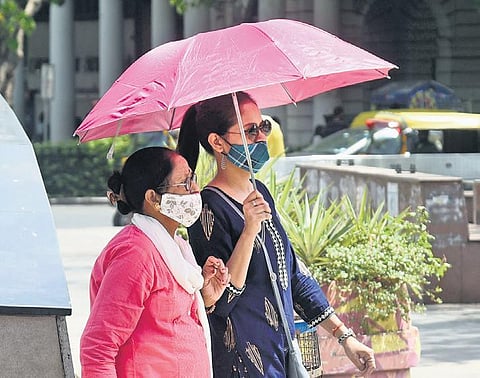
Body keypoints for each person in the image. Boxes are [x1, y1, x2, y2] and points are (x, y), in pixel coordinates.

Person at [176, 92, 376, 377]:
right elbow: (218, 301)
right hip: (243, 362)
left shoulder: (261, 195)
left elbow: (293, 275)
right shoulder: (207, 207)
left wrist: (345, 338)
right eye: (250, 130)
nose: (261, 137)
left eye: (264, 126)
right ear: (217, 142)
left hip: (281, 354)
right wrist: (249, 232)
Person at [80, 146, 229, 377]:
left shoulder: (175, 247)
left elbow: (166, 323)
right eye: (185, 183)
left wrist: (205, 297)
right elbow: (98, 347)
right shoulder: (135, 254)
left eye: (194, 179)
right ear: (153, 198)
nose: (196, 190)